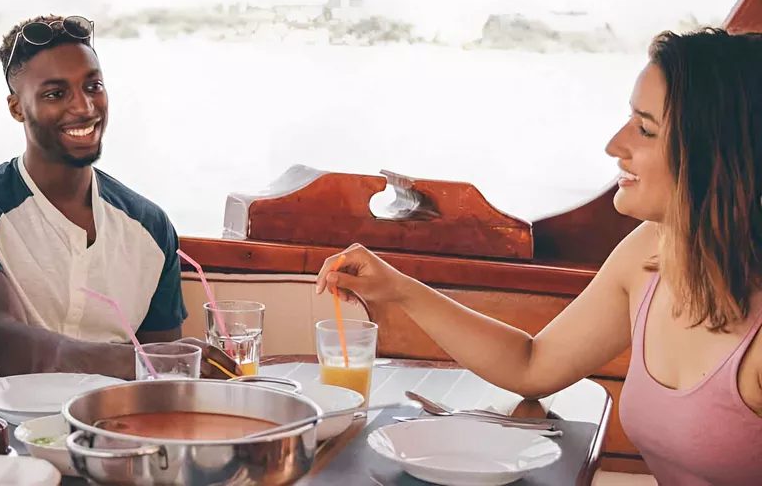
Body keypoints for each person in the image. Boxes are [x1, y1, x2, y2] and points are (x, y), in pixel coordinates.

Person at [316, 28, 762, 484]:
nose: (614, 146)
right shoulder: (651, 252)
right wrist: (400, 289)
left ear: (717, 153)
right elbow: (533, 365)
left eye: (645, 129)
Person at [0, 15, 237, 380]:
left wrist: (168, 364)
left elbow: (162, 380)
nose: (84, 107)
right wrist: (143, 361)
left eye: (93, 86)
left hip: (116, 426)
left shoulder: (151, 226)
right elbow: (2, 342)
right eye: (56, 94)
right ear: (16, 107)